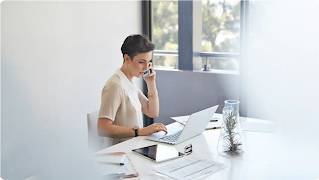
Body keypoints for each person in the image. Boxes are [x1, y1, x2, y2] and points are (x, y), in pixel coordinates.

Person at [97, 34, 167, 145]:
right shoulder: (115, 85)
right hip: (121, 154)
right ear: (127, 58)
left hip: (134, 148)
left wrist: (151, 83)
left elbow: (153, 112)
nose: (146, 68)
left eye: (148, 62)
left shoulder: (129, 84)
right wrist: (140, 131)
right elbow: (102, 128)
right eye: (141, 62)